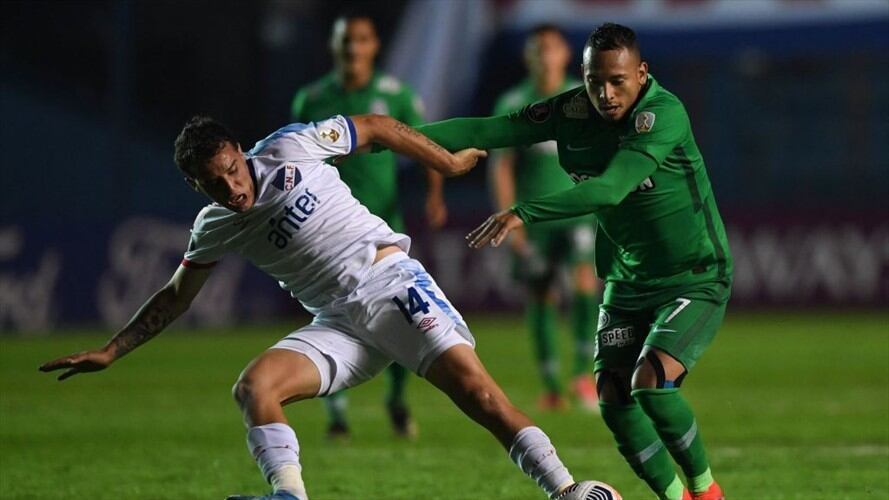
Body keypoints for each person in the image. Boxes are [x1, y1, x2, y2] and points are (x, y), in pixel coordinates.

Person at [39, 113, 620, 500]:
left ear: (242, 153)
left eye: (234, 172)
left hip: (389, 283)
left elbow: (377, 127)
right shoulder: (214, 227)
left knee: (480, 396)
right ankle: (289, 495)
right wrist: (113, 351)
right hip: (339, 325)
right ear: (198, 187)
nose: (234, 189)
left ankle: (571, 491)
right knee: (254, 387)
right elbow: (175, 296)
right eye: (215, 184)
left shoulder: (291, 147)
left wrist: (444, 163)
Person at [415, 22, 729, 500]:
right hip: (627, 278)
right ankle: (675, 498)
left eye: (617, 81)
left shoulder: (662, 114)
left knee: (651, 383)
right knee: (614, 398)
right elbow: (485, 130)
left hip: (694, 274)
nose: (605, 92)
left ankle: (706, 492)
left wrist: (523, 211)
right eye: (594, 80)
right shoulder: (569, 110)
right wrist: (389, 137)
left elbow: (608, 188)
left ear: (641, 74)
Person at [290, 13, 442, 440]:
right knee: (328, 317)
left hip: (382, 229)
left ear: (374, 46)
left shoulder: (396, 95)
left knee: (399, 316)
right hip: (325, 232)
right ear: (334, 47)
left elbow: (424, 141)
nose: (353, 48)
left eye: (360, 40)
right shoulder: (311, 98)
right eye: (345, 41)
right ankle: (336, 414)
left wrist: (434, 195)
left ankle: (396, 400)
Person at [489, 24, 600, 412]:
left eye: (551, 48)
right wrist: (508, 212)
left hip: (577, 211)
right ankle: (552, 385)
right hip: (532, 217)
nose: (544, 56)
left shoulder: (583, 98)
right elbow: (501, 164)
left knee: (586, 282)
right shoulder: (514, 102)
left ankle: (583, 376)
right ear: (528, 57)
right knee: (542, 293)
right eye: (537, 49)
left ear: (565, 54)